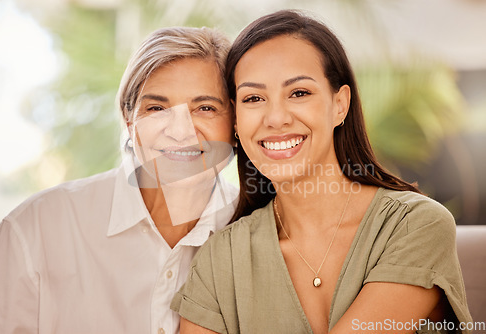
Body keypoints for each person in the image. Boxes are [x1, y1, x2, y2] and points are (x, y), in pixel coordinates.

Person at [171, 10, 473, 334]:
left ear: (340, 104)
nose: (276, 118)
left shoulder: (414, 226)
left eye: (299, 93)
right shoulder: (222, 258)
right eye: (253, 98)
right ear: (235, 121)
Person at [0, 26, 238, 334]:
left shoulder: (261, 234)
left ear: (236, 122)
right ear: (129, 119)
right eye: (157, 108)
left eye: (205, 108)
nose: (180, 131)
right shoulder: (35, 230)